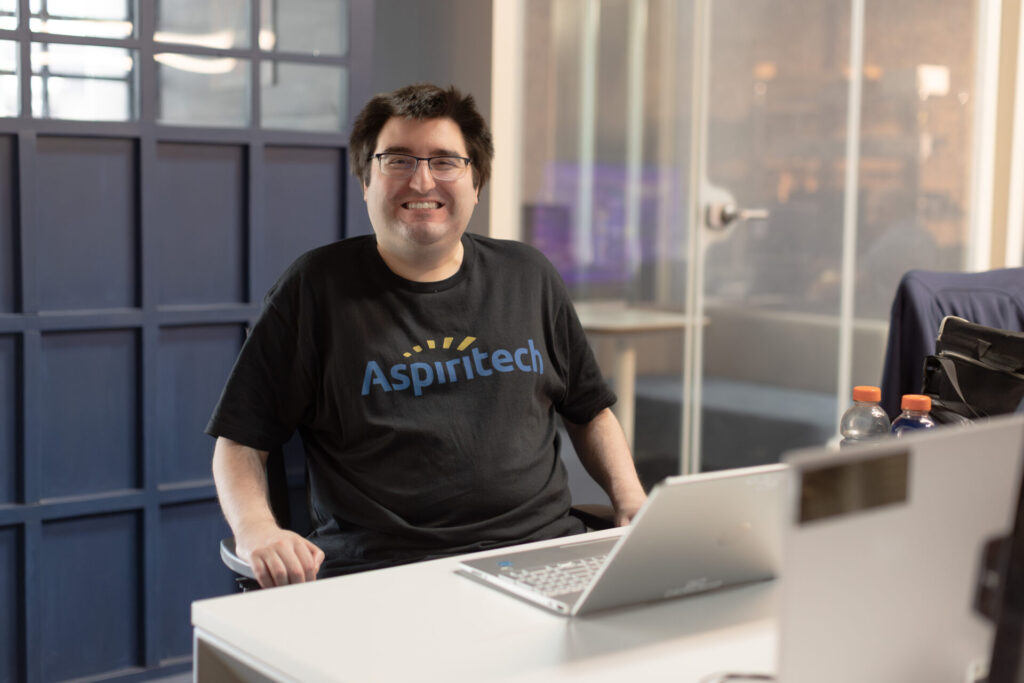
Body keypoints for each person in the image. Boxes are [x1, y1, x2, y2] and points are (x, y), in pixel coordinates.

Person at [207, 83, 647, 588]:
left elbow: (590, 410)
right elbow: (240, 441)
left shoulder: (528, 276)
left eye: (445, 161)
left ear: (475, 182)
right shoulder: (314, 289)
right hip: (385, 573)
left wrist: (630, 499)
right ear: (366, 182)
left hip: (541, 555)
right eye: (397, 160)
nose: (422, 181)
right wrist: (256, 529)